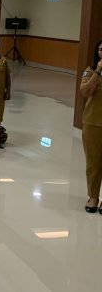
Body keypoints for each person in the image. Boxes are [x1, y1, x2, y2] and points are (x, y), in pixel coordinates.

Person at [80, 40, 102, 213]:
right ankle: (93, 196)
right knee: (93, 163)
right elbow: (85, 92)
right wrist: (98, 71)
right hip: (93, 122)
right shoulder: (90, 71)